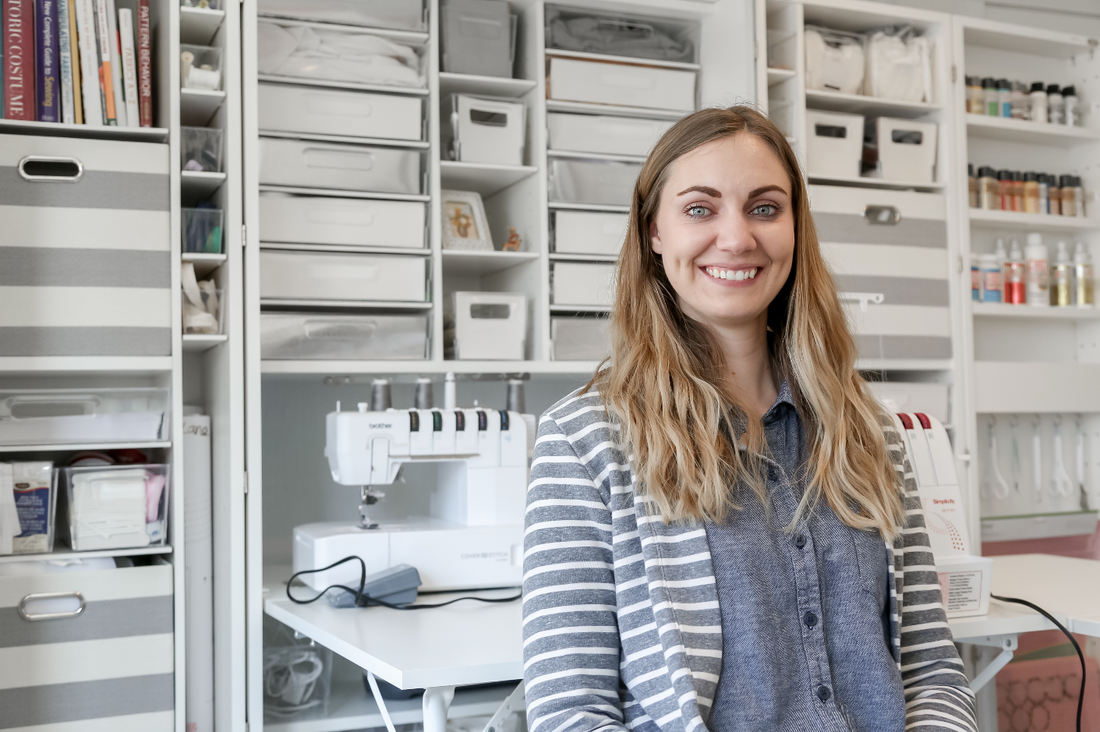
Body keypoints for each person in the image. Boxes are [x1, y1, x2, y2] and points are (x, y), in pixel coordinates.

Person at [522, 106, 977, 732]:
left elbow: (933, 672)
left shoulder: (869, 434)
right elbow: (570, 714)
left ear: (796, 228)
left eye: (765, 208)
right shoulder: (584, 441)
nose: (737, 238)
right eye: (700, 209)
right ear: (654, 230)